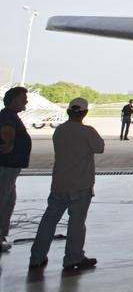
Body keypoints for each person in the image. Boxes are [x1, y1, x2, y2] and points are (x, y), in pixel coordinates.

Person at [29, 98, 104, 272]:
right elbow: (99, 147)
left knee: (48, 221)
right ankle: (73, 257)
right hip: (81, 184)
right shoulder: (87, 131)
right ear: (84, 113)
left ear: (69, 112)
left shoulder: (60, 130)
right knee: (76, 223)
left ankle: (36, 257)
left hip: (59, 183)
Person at [1, 86, 32, 254]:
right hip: (6, 167)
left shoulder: (10, 116)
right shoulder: (8, 118)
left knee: (9, 200)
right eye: (23, 98)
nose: (26, 102)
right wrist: (9, 144)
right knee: (3, 200)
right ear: (14, 100)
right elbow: (6, 135)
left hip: (10, 168)